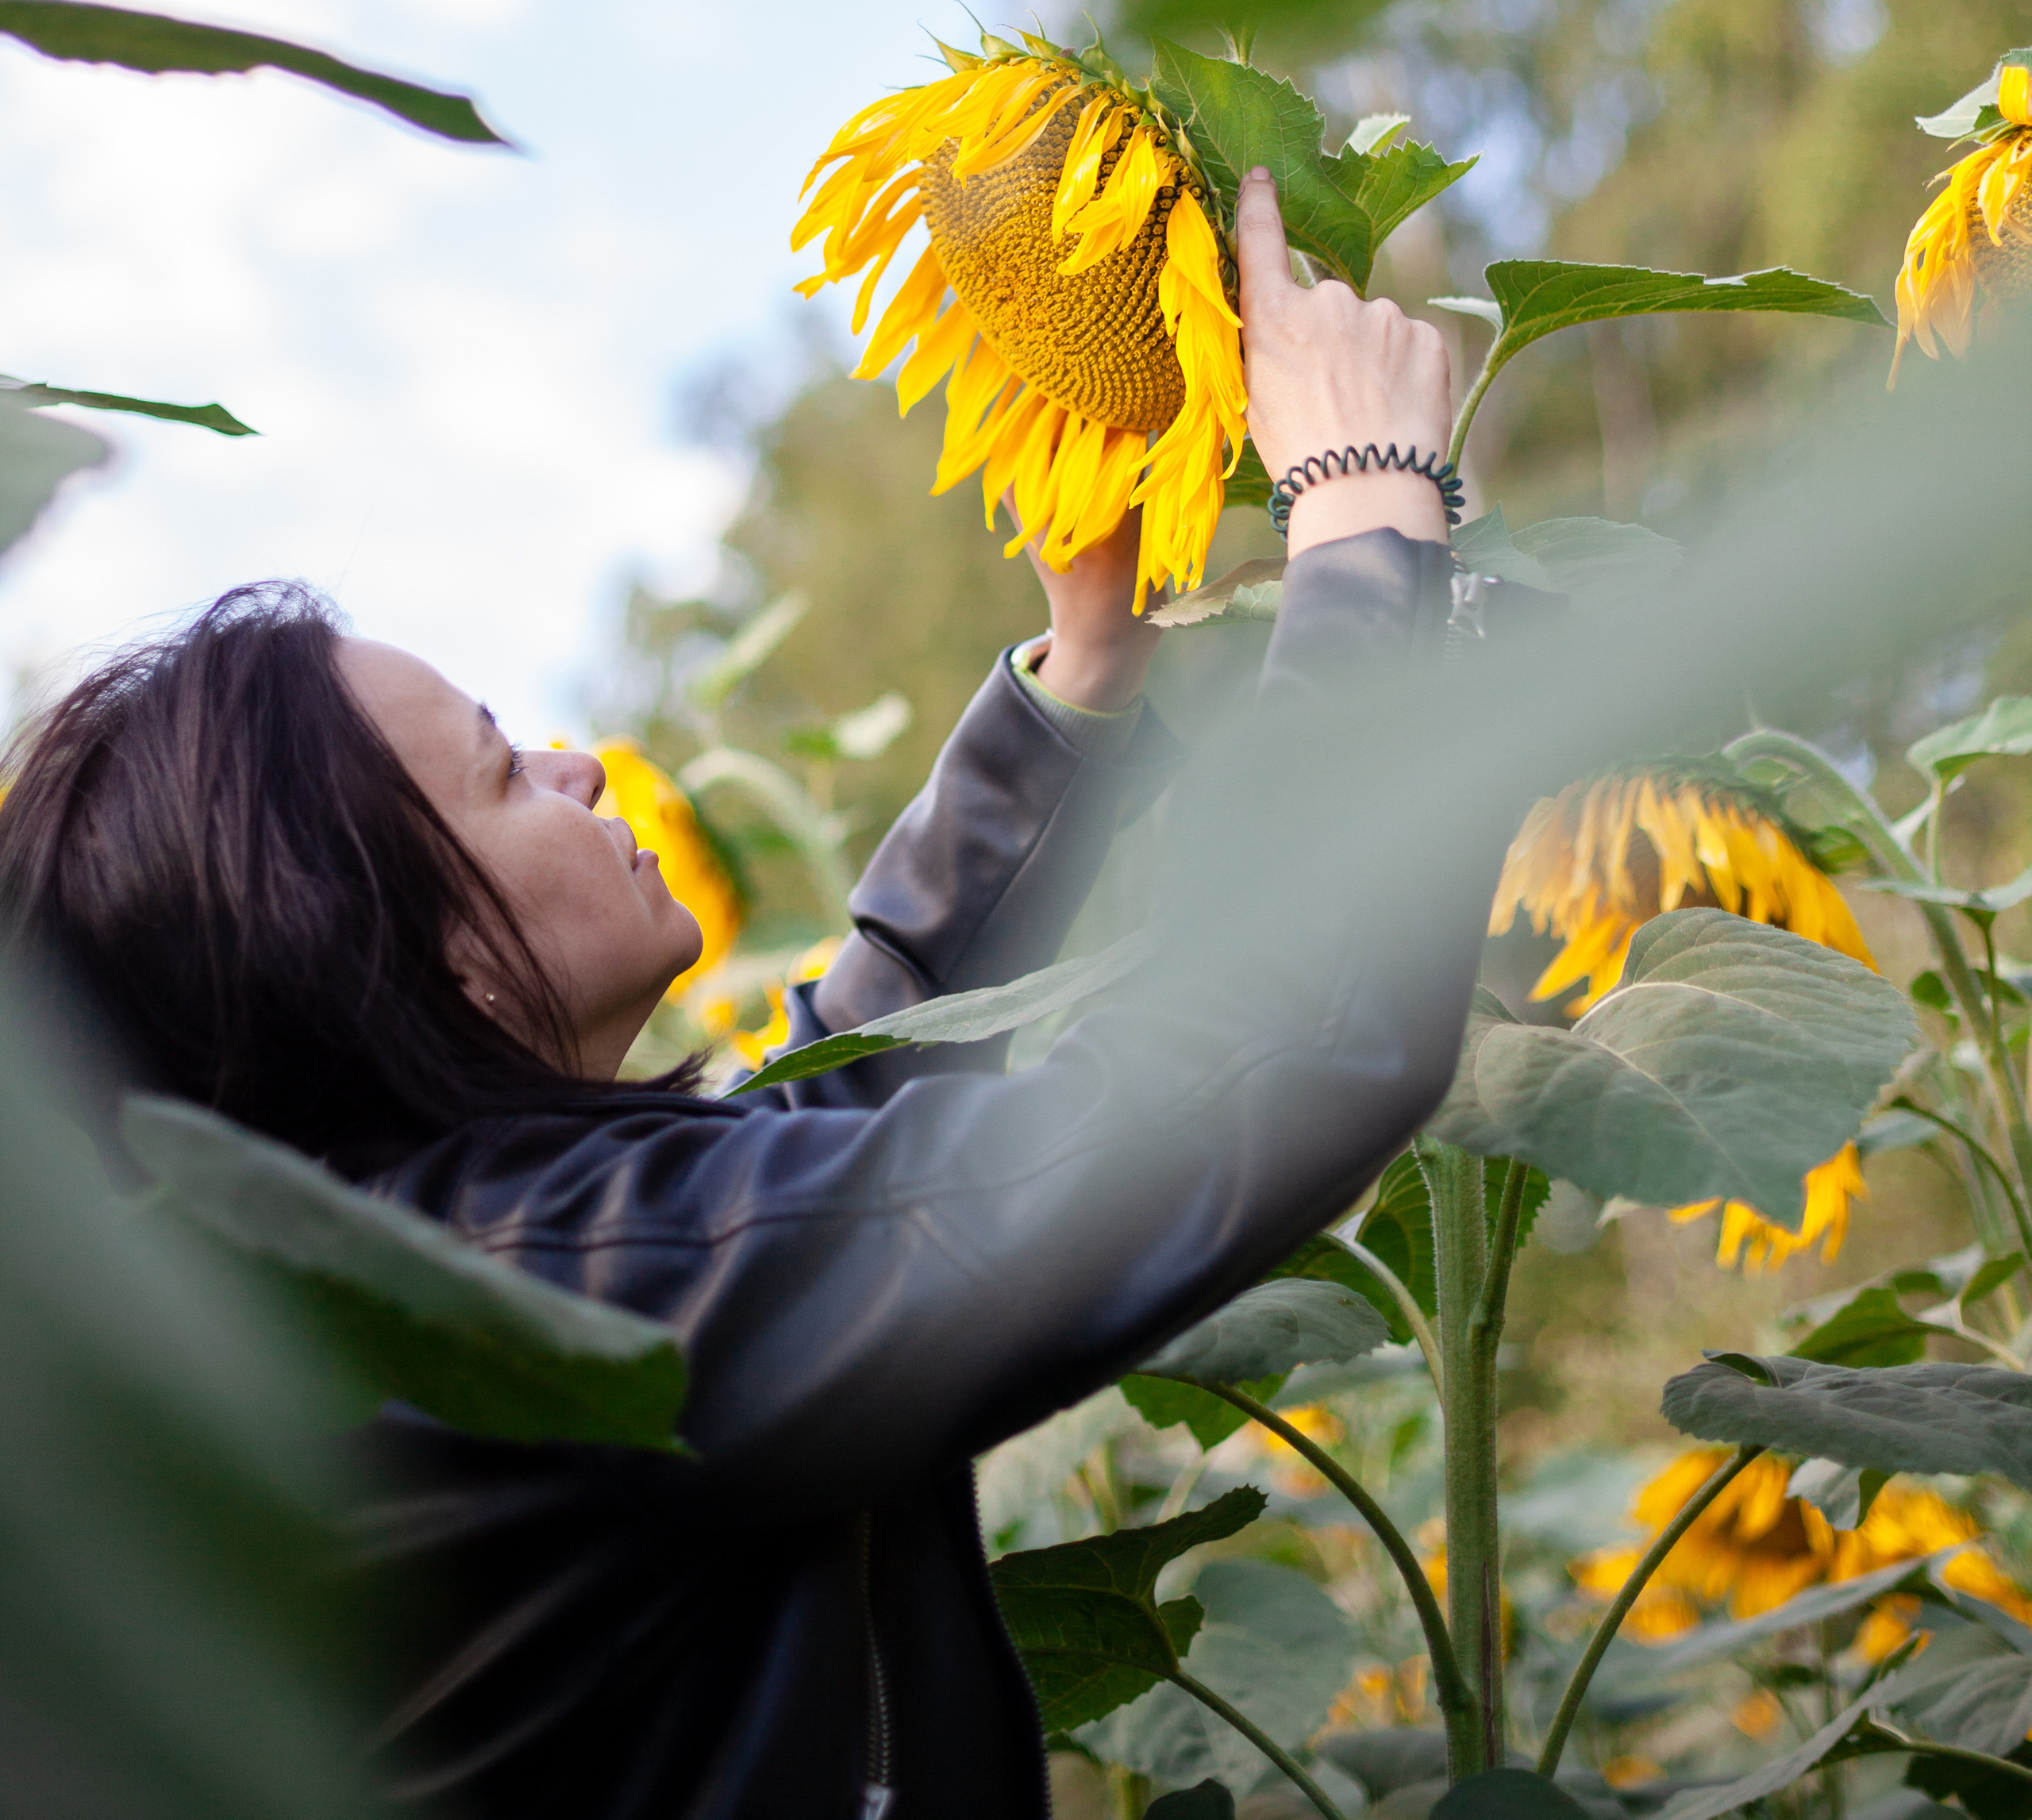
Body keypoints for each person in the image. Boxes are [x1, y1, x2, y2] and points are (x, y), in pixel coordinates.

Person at [0, 171, 1502, 1820]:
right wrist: (1363, 507)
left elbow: (793, 1154)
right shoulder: (545, 1311)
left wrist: (1078, 672)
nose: (579, 766)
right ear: (402, 955)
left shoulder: (390, 1293)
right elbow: (1268, 1054)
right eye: (507, 772)